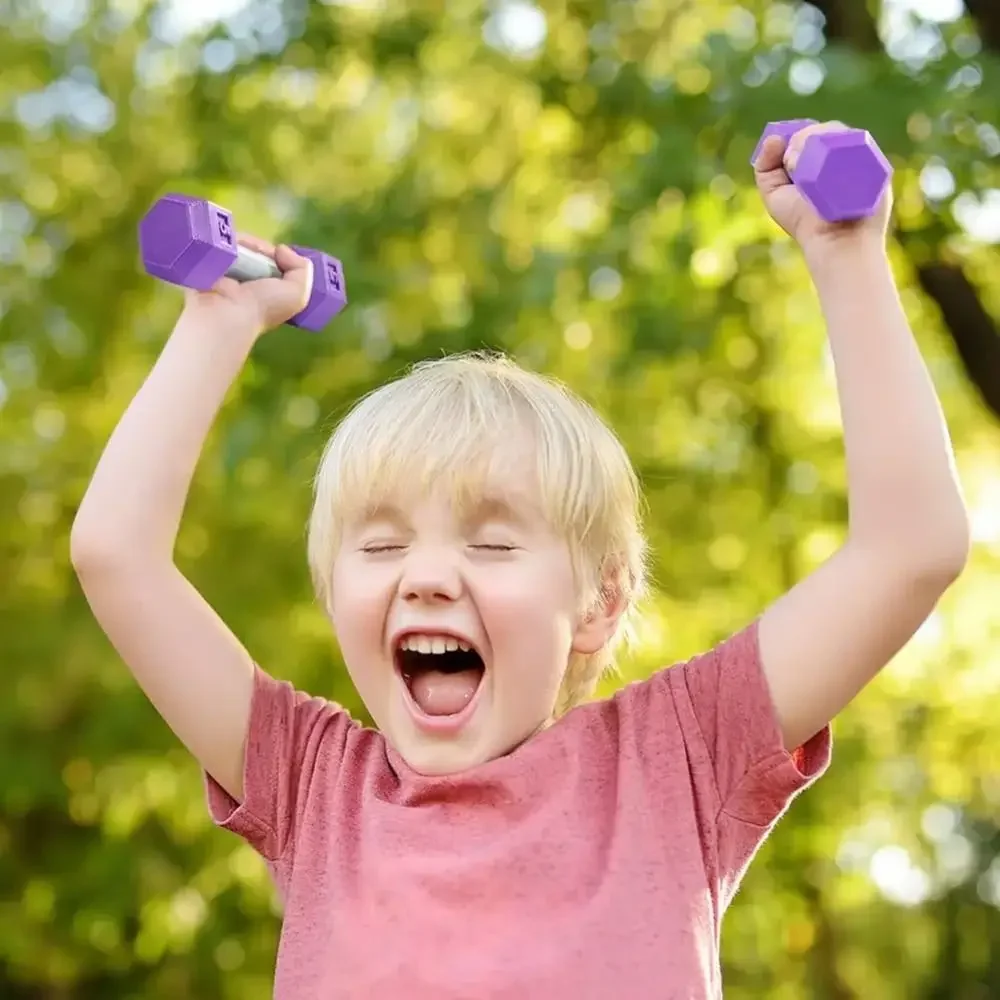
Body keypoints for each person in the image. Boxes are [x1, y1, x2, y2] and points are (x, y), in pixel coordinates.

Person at [70, 121, 969, 998]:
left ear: (600, 604)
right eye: (382, 545)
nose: (425, 575)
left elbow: (909, 548)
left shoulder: (677, 762)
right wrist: (218, 323)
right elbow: (118, 556)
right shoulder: (310, 784)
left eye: (492, 543)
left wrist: (846, 253)